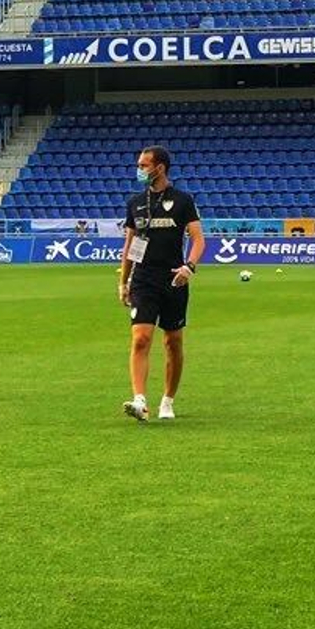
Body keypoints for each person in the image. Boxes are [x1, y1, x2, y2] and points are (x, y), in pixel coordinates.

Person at [119, 146, 204, 424]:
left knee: (173, 341)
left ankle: (168, 400)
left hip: (173, 279)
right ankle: (140, 401)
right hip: (144, 280)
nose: (140, 170)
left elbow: (198, 239)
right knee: (141, 338)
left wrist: (188, 267)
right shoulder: (135, 202)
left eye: (144, 165)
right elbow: (130, 245)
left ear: (160, 167)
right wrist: (124, 281)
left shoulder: (183, 200)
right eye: (139, 165)